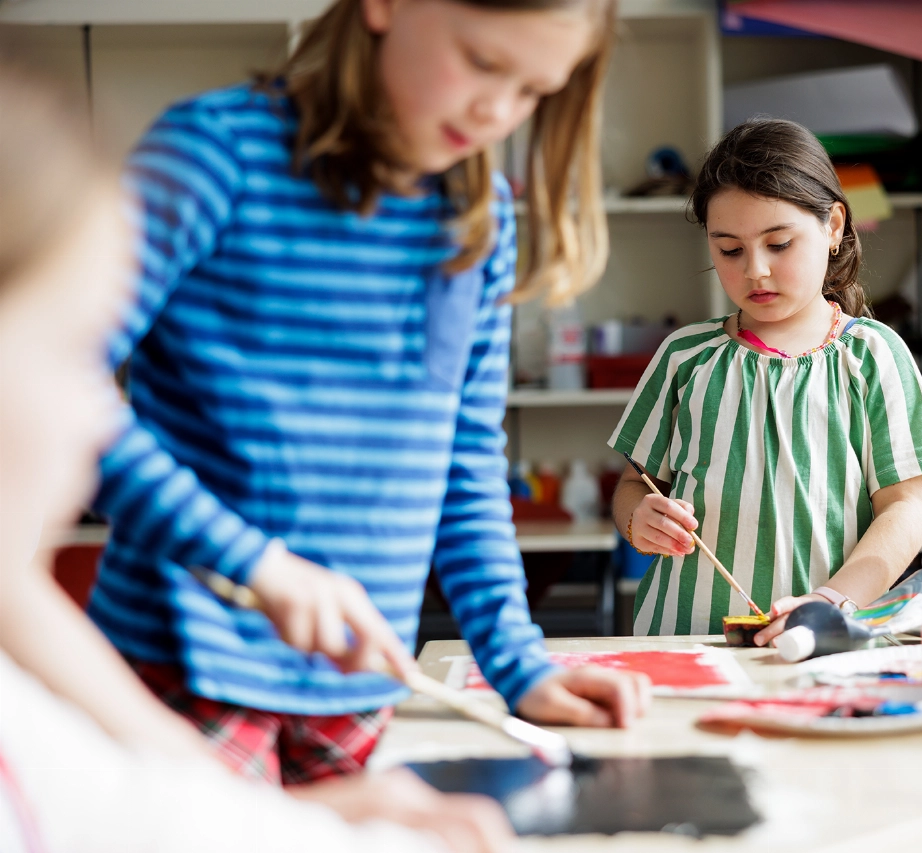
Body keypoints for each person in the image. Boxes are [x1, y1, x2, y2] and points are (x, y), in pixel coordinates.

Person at [85, 0, 650, 786]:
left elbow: (464, 461)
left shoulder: (478, 222)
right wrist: (255, 563)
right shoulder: (212, 154)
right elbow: (47, 388)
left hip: (358, 687)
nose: (498, 111)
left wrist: (521, 666)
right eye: (485, 62)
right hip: (186, 664)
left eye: (534, 91)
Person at [0, 65, 512, 853]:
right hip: (193, 657)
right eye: (73, 351)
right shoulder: (218, 154)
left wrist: (291, 820)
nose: (99, 413)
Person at [609, 119, 922, 642]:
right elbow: (634, 486)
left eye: (780, 243)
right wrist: (638, 519)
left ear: (833, 227)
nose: (756, 271)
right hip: (683, 639)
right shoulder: (684, 357)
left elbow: (904, 510)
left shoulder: (874, 356)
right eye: (730, 250)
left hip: (821, 637)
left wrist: (828, 603)